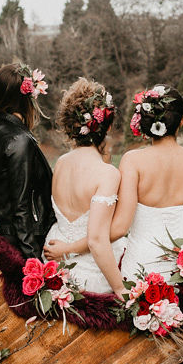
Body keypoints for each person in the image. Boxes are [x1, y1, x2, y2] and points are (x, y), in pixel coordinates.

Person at [113, 85, 183, 279]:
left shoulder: (132, 161)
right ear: (181, 121)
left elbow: (120, 227)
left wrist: (82, 242)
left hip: (140, 269)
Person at [41, 78, 127, 297]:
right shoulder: (107, 174)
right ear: (106, 125)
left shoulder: (60, 163)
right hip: (91, 274)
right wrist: (120, 289)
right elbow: (97, 241)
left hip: (53, 264)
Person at [0, 63, 54, 260]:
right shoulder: (20, 140)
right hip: (17, 243)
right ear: (28, 99)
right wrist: (33, 261)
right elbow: (21, 206)